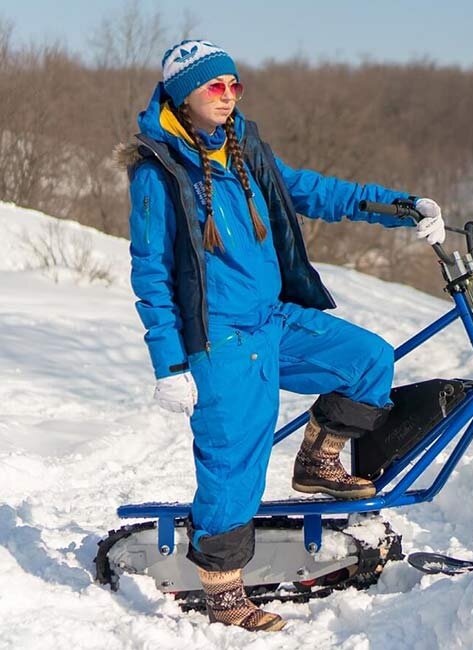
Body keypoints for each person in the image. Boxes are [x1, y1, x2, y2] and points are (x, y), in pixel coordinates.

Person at [120, 39, 445, 632]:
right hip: (220, 342)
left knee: (368, 360)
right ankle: (222, 593)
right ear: (182, 94)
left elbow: (317, 191)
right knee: (234, 460)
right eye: (215, 87)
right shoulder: (157, 173)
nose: (228, 96)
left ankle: (318, 462)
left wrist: (399, 207)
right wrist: (169, 365)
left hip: (273, 320)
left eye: (234, 85)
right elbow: (151, 276)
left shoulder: (247, 153)